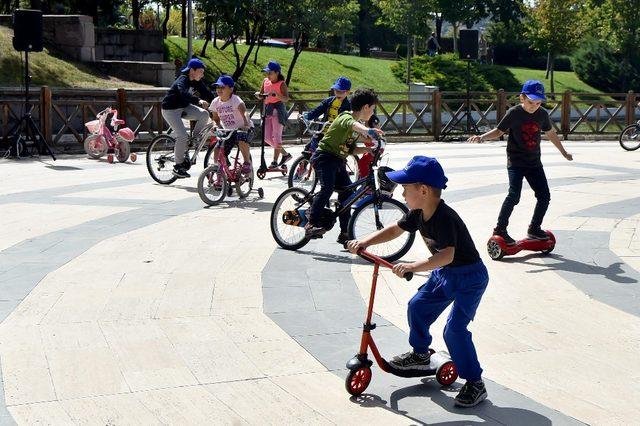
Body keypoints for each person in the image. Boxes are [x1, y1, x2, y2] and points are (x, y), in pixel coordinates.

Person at [346, 155, 490, 408]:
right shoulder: (418, 212)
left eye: (405, 188)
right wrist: (365, 242)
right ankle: (421, 355)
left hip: (469, 277)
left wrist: (413, 266)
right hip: (445, 273)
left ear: (422, 190)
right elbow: (395, 230)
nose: (402, 194)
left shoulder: (445, 217)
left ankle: (476, 383)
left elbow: (448, 254)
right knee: (418, 306)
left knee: (454, 330)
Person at [468, 80, 573, 244]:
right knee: (514, 196)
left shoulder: (542, 114)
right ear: (522, 98)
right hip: (516, 162)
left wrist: (563, 152)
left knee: (544, 196)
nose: (534, 106)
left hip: (534, 163)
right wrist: (482, 137)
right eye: (531, 102)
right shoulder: (514, 113)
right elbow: (499, 131)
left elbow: (551, 134)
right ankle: (500, 229)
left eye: (538, 103)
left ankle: (534, 228)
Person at [305, 88, 383, 244]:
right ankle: (311, 223)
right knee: (327, 188)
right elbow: (353, 125)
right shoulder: (345, 117)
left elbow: (350, 148)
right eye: (373, 109)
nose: (372, 112)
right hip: (324, 157)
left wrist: (368, 149)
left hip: (338, 160)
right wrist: (368, 131)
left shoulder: (355, 125)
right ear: (366, 107)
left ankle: (345, 233)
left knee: (348, 195)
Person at [161, 58, 214, 178]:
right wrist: (198, 101)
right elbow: (182, 93)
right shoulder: (183, 79)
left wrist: (219, 102)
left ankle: (194, 140)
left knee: (204, 114)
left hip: (183, 107)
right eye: (201, 71)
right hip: (170, 109)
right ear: (192, 70)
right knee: (182, 135)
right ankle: (178, 166)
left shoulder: (197, 81)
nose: (203, 74)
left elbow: (207, 93)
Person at [209, 75, 252, 175]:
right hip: (228, 131)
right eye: (217, 87)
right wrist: (216, 126)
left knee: (241, 138)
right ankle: (217, 168)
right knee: (218, 147)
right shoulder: (215, 102)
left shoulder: (235, 100)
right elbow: (215, 119)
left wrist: (246, 124)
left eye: (222, 87)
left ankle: (247, 162)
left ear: (231, 89)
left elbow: (245, 113)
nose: (219, 89)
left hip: (242, 129)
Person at [255, 60, 292, 168]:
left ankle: (275, 161)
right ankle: (285, 154)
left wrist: (277, 95)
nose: (268, 75)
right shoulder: (265, 81)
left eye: (270, 73)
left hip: (278, 110)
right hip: (268, 110)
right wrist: (259, 95)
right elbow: (262, 95)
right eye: (267, 73)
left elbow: (286, 98)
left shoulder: (282, 83)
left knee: (276, 137)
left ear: (277, 73)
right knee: (266, 137)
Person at [302, 76, 352, 153]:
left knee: (326, 153)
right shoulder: (329, 101)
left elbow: (350, 119)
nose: (338, 93)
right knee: (309, 148)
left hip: (336, 133)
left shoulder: (348, 105)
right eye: (336, 91)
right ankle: (304, 162)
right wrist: (308, 116)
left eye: (341, 92)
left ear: (348, 92)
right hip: (323, 130)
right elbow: (318, 110)